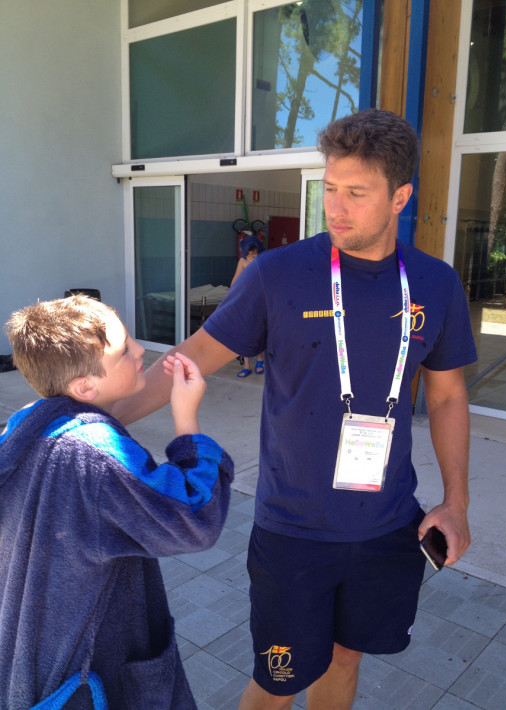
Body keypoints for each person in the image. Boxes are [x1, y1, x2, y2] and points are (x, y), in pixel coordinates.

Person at [113, 108, 477, 710]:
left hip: (388, 526)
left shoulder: (435, 284)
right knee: (279, 680)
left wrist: (457, 503)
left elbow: (446, 395)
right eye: (331, 188)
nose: (336, 206)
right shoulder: (278, 274)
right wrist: (97, 419)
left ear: (400, 196)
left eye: (356, 193)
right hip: (294, 532)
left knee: (346, 655)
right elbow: (192, 357)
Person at [0, 295, 233, 710]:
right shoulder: (95, 455)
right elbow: (194, 519)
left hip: (37, 650)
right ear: (86, 387)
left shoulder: (24, 426)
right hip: (92, 670)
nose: (141, 348)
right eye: (125, 350)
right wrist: (187, 423)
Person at [231, 234, 265, 377]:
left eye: (254, 253)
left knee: (258, 331)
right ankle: (246, 365)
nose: (252, 256)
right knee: (245, 332)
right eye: (249, 254)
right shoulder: (242, 262)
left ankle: (260, 360)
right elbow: (234, 282)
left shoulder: (263, 260)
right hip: (246, 300)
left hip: (259, 300)